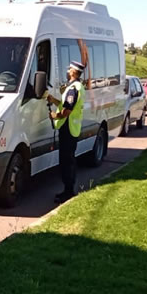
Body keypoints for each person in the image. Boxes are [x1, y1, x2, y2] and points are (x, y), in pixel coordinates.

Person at [47, 60, 86, 204]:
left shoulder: (73, 89)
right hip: (71, 129)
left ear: (73, 72)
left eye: (69, 69)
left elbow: (67, 111)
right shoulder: (77, 87)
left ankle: (68, 191)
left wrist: (54, 115)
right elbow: (66, 104)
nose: (67, 71)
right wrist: (54, 100)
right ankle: (68, 190)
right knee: (68, 160)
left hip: (68, 129)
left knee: (67, 161)